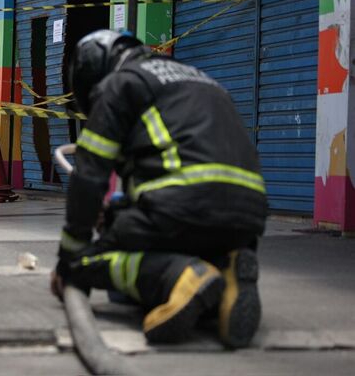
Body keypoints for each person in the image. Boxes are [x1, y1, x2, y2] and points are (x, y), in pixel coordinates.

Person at [52, 29, 268, 348]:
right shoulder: (202, 80)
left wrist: (69, 259)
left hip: (182, 204)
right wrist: (115, 213)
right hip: (246, 219)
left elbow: (89, 176)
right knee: (159, 235)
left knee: (87, 263)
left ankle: (179, 276)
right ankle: (227, 266)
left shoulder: (120, 84)